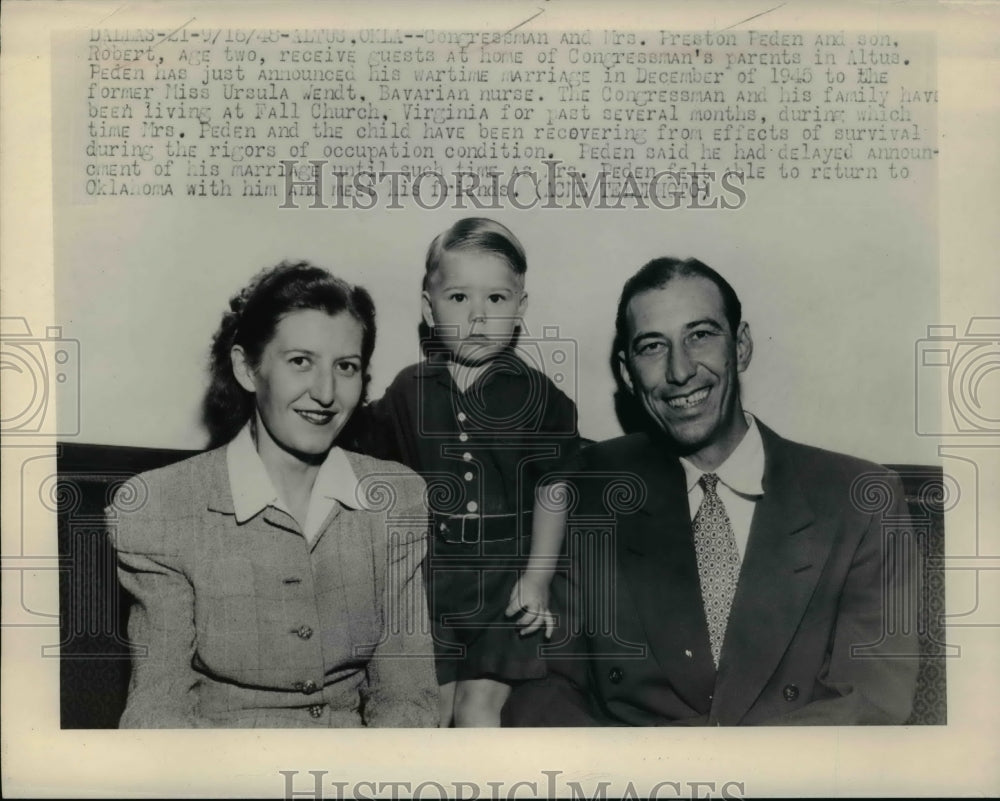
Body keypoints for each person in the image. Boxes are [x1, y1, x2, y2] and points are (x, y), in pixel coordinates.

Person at [503, 257, 918, 726]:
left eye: (700, 335)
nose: (680, 371)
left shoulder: (858, 500)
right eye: (652, 346)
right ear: (627, 373)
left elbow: (871, 702)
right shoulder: (596, 493)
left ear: (740, 347)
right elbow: (544, 689)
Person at [107, 261, 439, 728]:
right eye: (300, 361)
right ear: (247, 368)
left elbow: (406, 698)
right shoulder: (162, 507)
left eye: (346, 367)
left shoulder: (395, 500)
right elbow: (158, 708)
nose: (325, 392)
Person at [361, 218, 581, 727]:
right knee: (426, 711)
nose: (478, 317)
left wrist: (538, 578)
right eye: (459, 298)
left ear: (520, 309)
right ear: (428, 307)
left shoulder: (541, 398)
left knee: (477, 710)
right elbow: (373, 474)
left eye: (497, 300)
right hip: (428, 583)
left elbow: (554, 489)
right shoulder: (406, 392)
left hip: (507, 583)